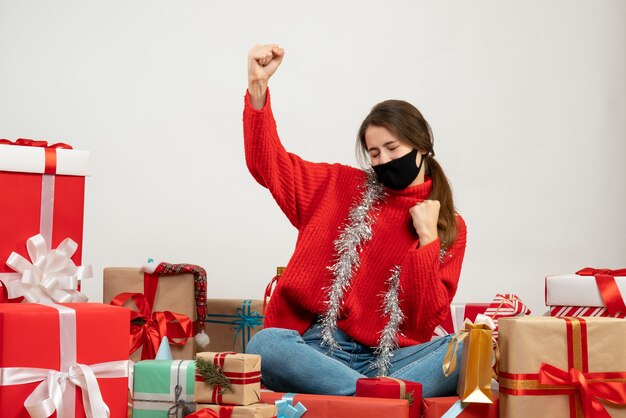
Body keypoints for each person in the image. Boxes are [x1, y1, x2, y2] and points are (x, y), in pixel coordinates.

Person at [244, 44, 467, 398]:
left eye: (393, 149)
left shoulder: (448, 225)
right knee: (266, 346)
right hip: (316, 350)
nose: (383, 160)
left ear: (422, 145)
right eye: (374, 153)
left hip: (388, 359)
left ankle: (365, 397)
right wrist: (258, 89)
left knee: (467, 350)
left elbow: (424, 322)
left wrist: (427, 239)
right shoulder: (338, 186)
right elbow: (268, 165)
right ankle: (382, 401)